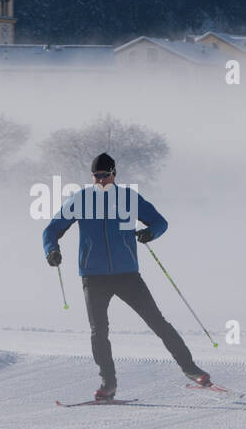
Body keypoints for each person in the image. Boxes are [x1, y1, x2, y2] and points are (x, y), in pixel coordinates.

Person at [43, 152, 211, 400]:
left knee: (158, 322)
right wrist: (52, 251)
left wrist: (150, 233)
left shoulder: (128, 198)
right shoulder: (80, 200)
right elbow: (51, 230)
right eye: (97, 176)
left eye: (106, 175)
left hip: (127, 274)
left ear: (114, 174)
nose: (101, 181)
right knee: (98, 331)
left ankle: (191, 369)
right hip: (93, 275)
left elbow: (160, 222)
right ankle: (108, 383)